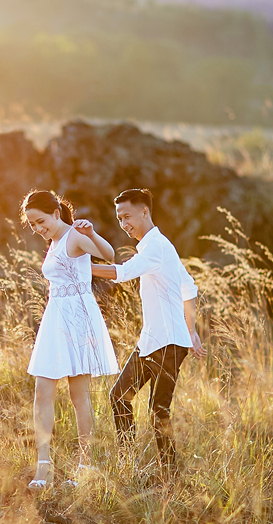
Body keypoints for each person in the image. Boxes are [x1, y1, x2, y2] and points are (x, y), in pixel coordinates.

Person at [82, 188, 206, 479]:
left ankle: (171, 476)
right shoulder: (158, 247)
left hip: (170, 344)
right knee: (119, 397)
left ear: (144, 212)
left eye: (127, 216)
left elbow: (124, 272)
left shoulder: (157, 247)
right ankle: (128, 464)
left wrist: (82, 267)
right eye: (119, 219)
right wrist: (194, 331)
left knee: (157, 411)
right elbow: (189, 288)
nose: (124, 224)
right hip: (151, 341)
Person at [21, 190, 119, 489]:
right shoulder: (53, 242)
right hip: (56, 316)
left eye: (40, 221)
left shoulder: (74, 235)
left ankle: (85, 466)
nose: (38, 229)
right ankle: (44, 467)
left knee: (79, 396)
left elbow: (109, 255)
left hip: (77, 318)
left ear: (54, 212)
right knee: (42, 391)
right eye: (32, 225)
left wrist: (91, 232)